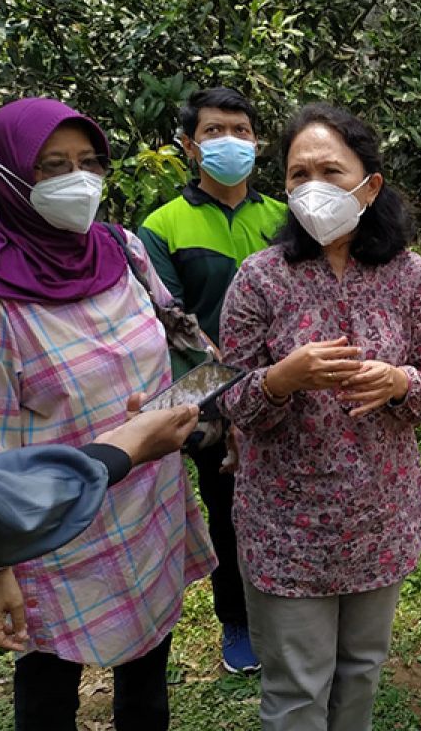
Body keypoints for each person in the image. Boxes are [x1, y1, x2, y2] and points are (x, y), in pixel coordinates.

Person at [0, 97, 217, 731]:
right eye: (52, 166)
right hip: (53, 528)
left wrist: (198, 407)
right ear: (10, 175)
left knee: (147, 686)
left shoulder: (120, 249)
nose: (78, 179)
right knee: (48, 694)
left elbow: (185, 342)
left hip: (148, 506)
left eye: (89, 162)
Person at [219, 103, 421, 731]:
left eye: (330, 171)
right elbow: (230, 400)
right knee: (296, 688)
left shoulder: (409, 278)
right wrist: (278, 380)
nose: (313, 187)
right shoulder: (260, 279)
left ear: (369, 187)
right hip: (285, 528)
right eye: (298, 175)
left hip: (380, 517)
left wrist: (401, 382)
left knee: (360, 671)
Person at [0, 375, 202, 730]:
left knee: (147, 678)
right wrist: (114, 453)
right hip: (52, 551)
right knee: (47, 685)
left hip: (137, 529)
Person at [138, 86, 287, 674]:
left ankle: (285, 611)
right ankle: (238, 621)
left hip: (282, 387)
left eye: (241, 132)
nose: (230, 142)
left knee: (283, 504)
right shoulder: (162, 226)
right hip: (207, 398)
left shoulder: (283, 216)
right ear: (188, 146)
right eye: (214, 132)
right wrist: (226, 397)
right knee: (226, 510)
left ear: (257, 143)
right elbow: (172, 324)